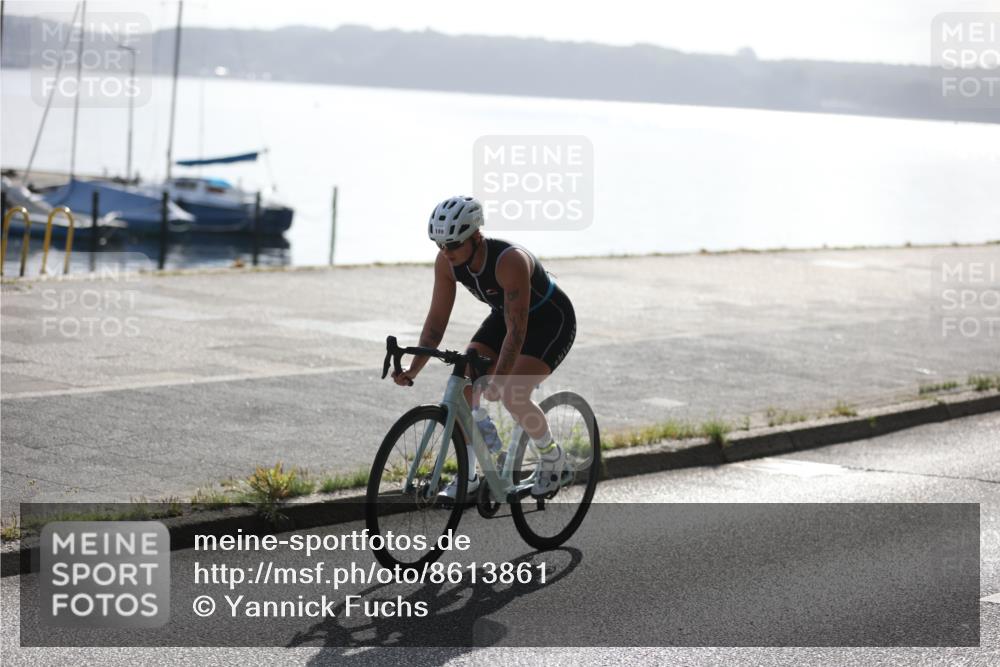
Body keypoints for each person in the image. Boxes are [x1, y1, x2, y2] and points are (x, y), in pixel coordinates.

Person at [392, 195, 577, 499]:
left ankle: (554, 458)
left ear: (476, 236)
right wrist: (414, 368)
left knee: (513, 393)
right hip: (504, 317)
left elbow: (517, 333)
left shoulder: (509, 261)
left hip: (549, 323)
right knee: (465, 377)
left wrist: (499, 379)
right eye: (440, 245)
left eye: (453, 245)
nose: (446, 252)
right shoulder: (447, 264)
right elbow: (436, 323)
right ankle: (470, 474)